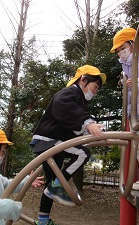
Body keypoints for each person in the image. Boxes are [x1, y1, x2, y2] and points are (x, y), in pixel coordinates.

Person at [30, 65, 107, 225]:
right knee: (82, 153)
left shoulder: (77, 101)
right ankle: (58, 185)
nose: (95, 91)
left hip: (51, 143)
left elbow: (70, 123)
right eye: (95, 87)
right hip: (48, 141)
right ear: (83, 80)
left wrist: (91, 132)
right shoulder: (70, 93)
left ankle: (43, 220)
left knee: (50, 186)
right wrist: (88, 124)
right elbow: (66, 108)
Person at [110, 27, 139, 193]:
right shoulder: (126, 66)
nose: (121, 52)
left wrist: (137, 83)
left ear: (133, 44)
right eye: (118, 50)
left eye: (123, 48)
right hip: (134, 111)